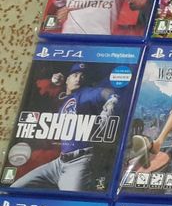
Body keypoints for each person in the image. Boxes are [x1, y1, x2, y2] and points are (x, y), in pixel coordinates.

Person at [13, 63, 119, 192]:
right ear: (67, 79)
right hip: (58, 163)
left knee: (71, 202)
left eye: (82, 76)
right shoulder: (63, 99)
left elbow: (106, 92)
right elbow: (37, 94)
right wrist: (52, 81)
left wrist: (112, 99)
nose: (78, 78)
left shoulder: (85, 93)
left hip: (79, 163)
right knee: (15, 188)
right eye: (75, 75)